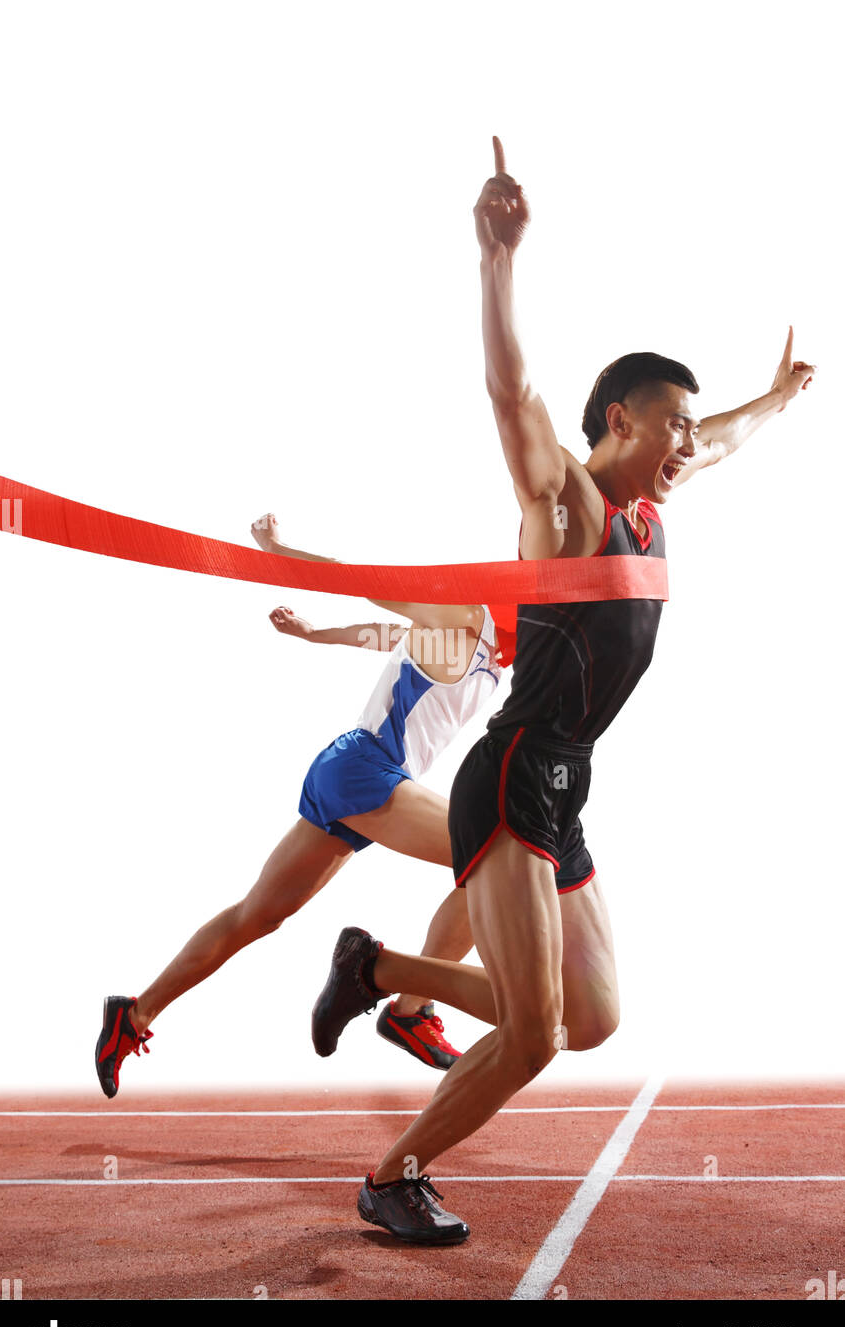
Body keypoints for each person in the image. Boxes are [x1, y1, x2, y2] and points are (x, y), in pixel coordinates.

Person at [311, 136, 816, 1245]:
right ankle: (392, 1173)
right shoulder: (569, 505)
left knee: (589, 1015)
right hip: (504, 778)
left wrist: (775, 397)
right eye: (669, 424)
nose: (688, 441)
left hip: (562, 785)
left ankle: (378, 967)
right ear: (618, 424)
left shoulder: (651, 505)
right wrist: (495, 258)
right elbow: (512, 395)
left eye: (689, 426)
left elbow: (723, 439)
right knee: (534, 1036)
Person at [94, 512, 507, 1097]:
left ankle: (132, 1015)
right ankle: (409, 1010)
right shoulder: (472, 620)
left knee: (258, 915)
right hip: (367, 772)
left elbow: (384, 634)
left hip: (352, 773)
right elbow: (363, 580)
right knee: (494, 851)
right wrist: (280, 550)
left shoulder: (486, 650)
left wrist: (314, 635)